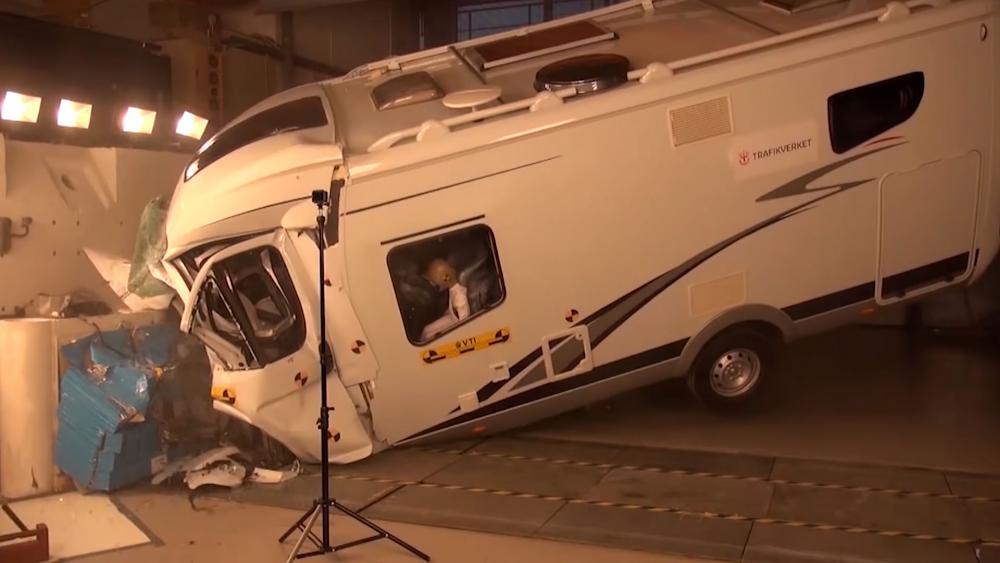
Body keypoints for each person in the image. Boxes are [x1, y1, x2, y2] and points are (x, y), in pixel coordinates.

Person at [420, 258, 470, 341]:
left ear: (446, 279)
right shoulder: (452, 290)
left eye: (437, 283)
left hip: (457, 323)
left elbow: (463, 323)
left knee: (429, 336)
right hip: (452, 316)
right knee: (426, 330)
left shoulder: (459, 298)